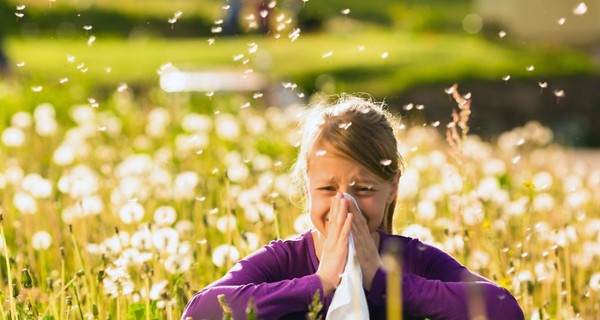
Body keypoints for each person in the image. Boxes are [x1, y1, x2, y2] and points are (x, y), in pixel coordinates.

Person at [181, 95, 525, 319]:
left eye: (363, 189)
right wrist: (320, 282)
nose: (344, 205)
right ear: (307, 187)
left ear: (392, 189)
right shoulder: (285, 260)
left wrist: (384, 282)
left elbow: (504, 310)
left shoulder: (414, 259)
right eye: (328, 188)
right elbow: (199, 313)